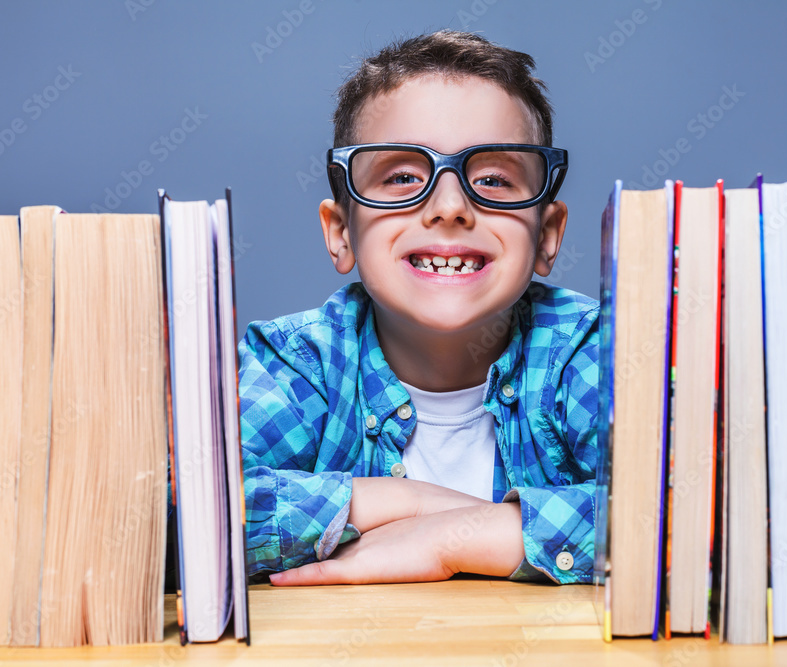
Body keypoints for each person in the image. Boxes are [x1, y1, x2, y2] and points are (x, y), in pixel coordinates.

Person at [239, 29, 598, 586]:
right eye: (403, 176)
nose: (450, 207)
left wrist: (456, 539)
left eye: (494, 180)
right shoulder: (297, 365)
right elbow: (183, 512)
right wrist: (411, 501)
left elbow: (691, 511)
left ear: (547, 235)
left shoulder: (587, 351)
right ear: (341, 234)